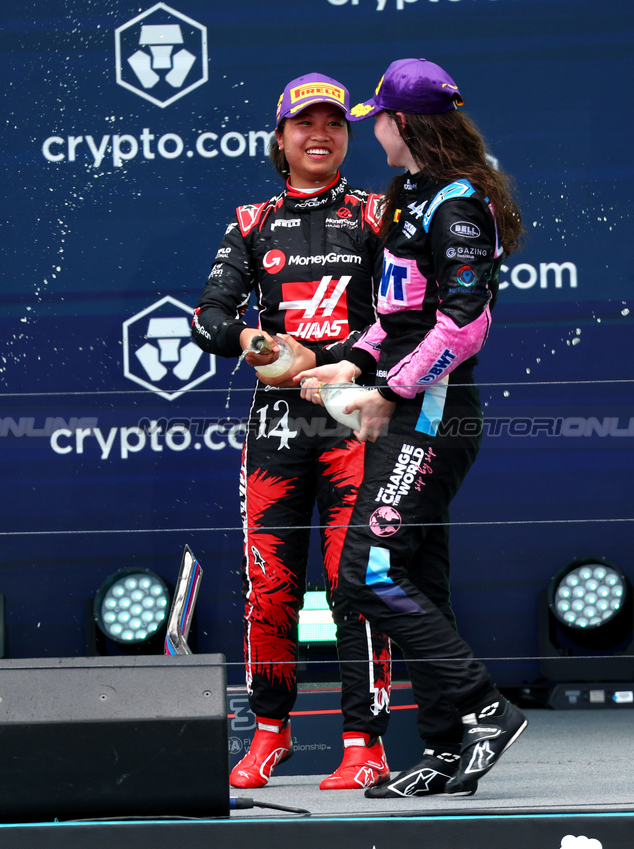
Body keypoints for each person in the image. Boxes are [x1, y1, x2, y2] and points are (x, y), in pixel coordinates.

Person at [295, 58, 527, 797]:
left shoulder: (460, 206)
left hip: (431, 414)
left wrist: (386, 394)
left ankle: (484, 707)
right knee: (416, 577)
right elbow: (398, 318)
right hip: (409, 407)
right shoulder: (409, 195)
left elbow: (463, 326)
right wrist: (345, 364)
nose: (371, 130)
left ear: (405, 124)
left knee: (365, 572)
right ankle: (446, 747)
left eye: (377, 118)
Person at [190, 74, 394, 791]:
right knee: (270, 585)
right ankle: (268, 734)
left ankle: (364, 741)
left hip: (352, 423)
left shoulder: (377, 214)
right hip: (277, 425)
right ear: (280, 138)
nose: (319, 135)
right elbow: (209, 316)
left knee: (353, 582)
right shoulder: (251, 221)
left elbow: (404, 313)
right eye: (303, 124)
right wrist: (258, 344)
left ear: (346, 136)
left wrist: (343, 366)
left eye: (333, 124)